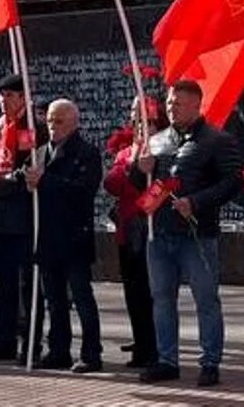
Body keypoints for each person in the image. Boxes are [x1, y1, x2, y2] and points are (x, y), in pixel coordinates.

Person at [134, 79, 244, 387]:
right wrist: (139, 167)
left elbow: (233, 181)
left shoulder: (217, 140)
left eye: (178, 103)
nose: (171, 108)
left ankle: (210, 362)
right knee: (162, 299)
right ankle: (167, 360)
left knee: (206, 299)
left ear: (197, 105)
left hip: (197, 233)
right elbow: (139, 184)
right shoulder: (156, 141)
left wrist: (196, 202)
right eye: (169, 103)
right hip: (160, 233)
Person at [26, 99, 105, 372]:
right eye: (49, 120)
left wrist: (45, 181)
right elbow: (24, 178)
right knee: (54, 299)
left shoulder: (87, 153)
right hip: (47, 237)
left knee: (82, 297)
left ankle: (91, 352)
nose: (52, 126)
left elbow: (83, 191)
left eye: (58, 121)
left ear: (74, 122)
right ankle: (58, 349)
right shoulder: (39, 154)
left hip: (73, 236)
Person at [0, 74, 38, 363]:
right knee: (3, 284)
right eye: (1, 95)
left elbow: (31, 170)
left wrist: (2, 185)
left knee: (28, 284)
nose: (4, 100)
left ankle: (31, 343)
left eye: (10, 95)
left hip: (27, 217)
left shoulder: (35, 128)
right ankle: (4, 339)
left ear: (24, 98)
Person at [103, 95, 167, 368]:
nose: (140, 123)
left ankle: (157, 348)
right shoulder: (126, 152)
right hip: (128, 233)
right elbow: (111, 182)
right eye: (135, 117)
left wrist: (143, 203)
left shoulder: (164, 149)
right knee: (134, 292)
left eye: (146, 118)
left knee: (154, 293)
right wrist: (133, 169)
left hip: (154, 229)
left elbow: (166, 185)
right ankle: (141, 344)